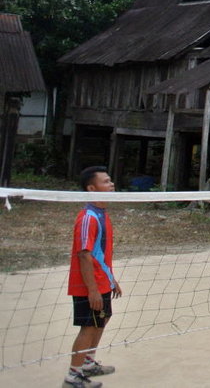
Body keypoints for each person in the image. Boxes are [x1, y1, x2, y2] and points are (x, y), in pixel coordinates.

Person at [64, 166, 122, 388]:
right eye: (106, 182)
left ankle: (87, 363)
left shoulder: (102, 214)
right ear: (92, 188)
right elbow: (84, 255)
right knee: (88, 327)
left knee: (102, 319)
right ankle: (73, 376)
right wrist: (93, 290)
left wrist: (111, 280)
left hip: (101, 281)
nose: (111, 184)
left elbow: (100, 254)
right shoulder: (88, 217)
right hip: (89, 286)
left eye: (110, 180)